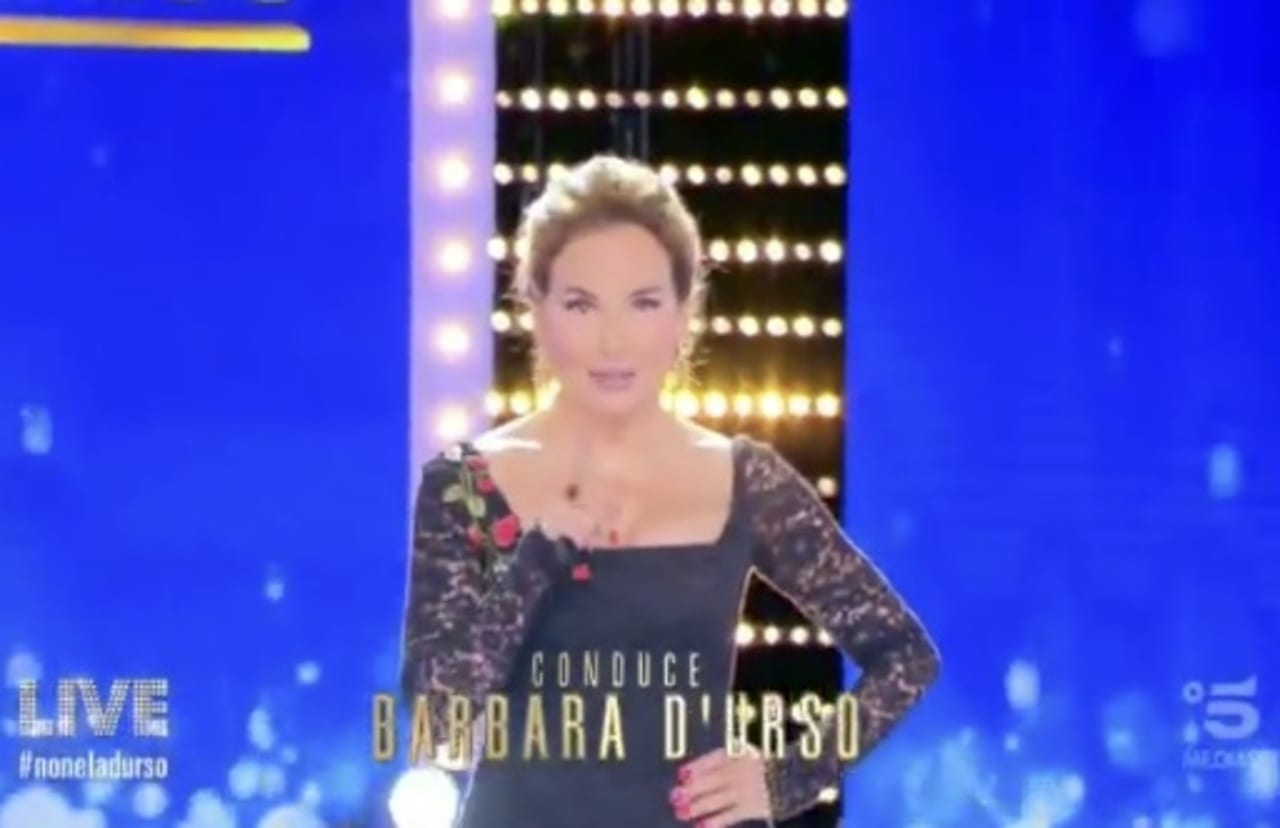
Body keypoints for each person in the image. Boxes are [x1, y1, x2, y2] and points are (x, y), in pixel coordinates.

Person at [400, 155, 940, 827]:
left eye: (644, 303)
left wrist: (788, 778)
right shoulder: (466, 486)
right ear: (534, 307)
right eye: (581, 304)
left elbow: (906, 656)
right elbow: (437, 717)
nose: (613, 340)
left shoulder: (745, 480)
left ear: (685, 313)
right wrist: (539, 558)